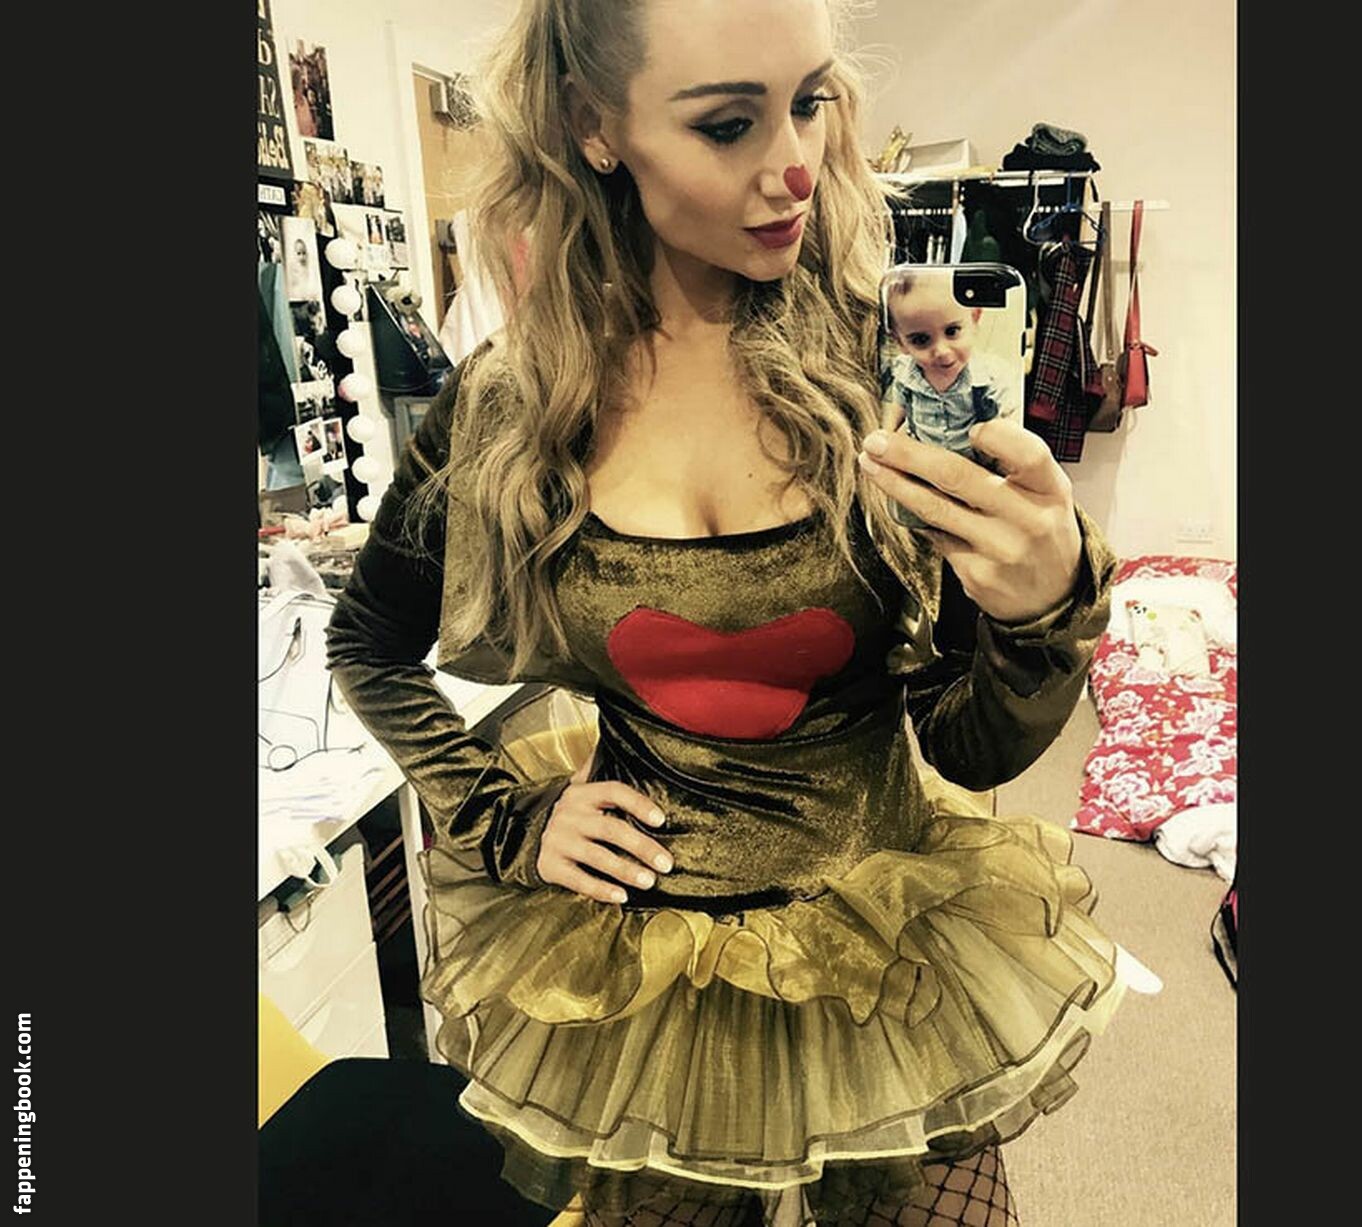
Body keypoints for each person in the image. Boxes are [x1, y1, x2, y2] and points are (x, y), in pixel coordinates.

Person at [326, 3, 1141, 1224]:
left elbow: (968, 747)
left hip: (885, 950)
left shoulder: (887, 368)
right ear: (595, 128)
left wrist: (1036, 617)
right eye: (726, 124)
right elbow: (368, 643)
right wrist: (501, 817)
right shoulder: (512, 403)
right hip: (638, 978)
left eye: (809, 102)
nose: (794, 167)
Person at [882, 267, 1008, 528]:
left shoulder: (983, 377)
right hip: (920, 464)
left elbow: (998, 422)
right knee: (917, 516)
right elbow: (897, 404)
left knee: (969, 521)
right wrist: (886, 439)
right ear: (901, 342)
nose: (941, 351)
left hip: (970, 467)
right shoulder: (906, 373)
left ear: (974, 317)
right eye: (921, 340)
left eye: (952, 331)